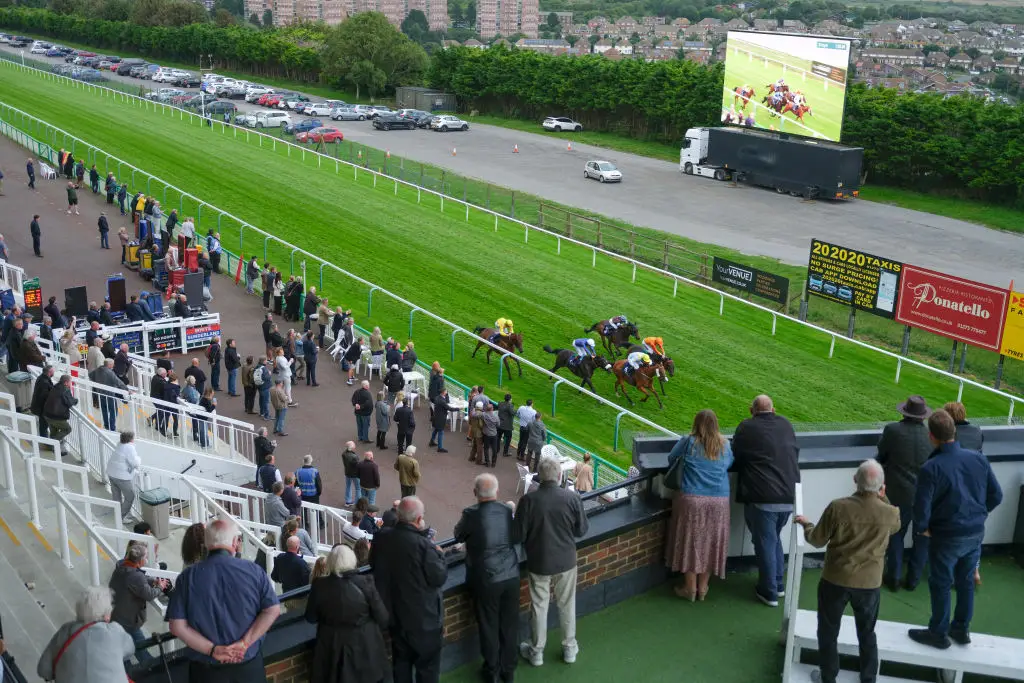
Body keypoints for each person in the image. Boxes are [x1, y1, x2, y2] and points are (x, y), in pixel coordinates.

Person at [793, 460, 900, 683]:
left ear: (855, 480)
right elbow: (895, 526)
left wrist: (807, 525)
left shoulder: (838, 507)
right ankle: (869, 677)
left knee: (828, 632)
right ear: (882, 487)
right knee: (867, 633)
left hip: (835, 579)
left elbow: (816, 540)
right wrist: (882, 496)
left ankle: (828, 676)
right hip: (869, 584)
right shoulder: (890, 513)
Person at [907, 409, 1003, 650]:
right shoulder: (978, 458)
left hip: (946, 537)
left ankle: (938, 633)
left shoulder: (931, 467)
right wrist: (977, 516)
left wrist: (923, 529)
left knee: (940, 583)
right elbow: (996, 496)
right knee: (966, 581)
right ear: (954, 431)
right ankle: (960, 629)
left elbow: (921, 507)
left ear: (932, 437)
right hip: (974, 534)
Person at [167, 519, 281, 680]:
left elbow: (177, 626)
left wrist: (213, 650)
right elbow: (272, 610)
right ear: (234, 542)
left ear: (206, 543)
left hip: (206, 671)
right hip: (248, 667)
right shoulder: (254, 571)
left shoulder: (187, 577)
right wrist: (244, 643)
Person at [515, 456, 589, 667]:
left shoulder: (528, 501)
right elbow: (582, 530)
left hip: (538, 561)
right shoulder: (572, 498)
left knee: (539, 606)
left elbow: (517, 535)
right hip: (566, 560)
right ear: (559, 475)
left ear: (540, 476)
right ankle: (569, 649)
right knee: (567, 604)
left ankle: (536, 652)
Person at [731, 394, 800, 608]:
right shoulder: (786, 425)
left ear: (751, 410)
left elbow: (736, 455)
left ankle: (769, 591)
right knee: (774, 539)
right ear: (774, 410)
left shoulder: (746, 427)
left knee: (766, 542)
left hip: (763, 497)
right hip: (789, 495)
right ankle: (777, 585)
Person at [371, 497, 448, 683]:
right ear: (418, 519)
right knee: (427, 672)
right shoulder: (424, 546)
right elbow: (439, 577)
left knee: (401, 667)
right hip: (424, 622)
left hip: (396, 618)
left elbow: (374, 563)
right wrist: (439, 555)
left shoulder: (382, 538)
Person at [455, 474, 519, 683]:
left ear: (475, 493)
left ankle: (492, 671)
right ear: (497, 492)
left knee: (488, 625)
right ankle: (508, 671)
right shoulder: (506, 511)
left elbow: (458, 534)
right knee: (508, 625)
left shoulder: (471, 514)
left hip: (486, 579)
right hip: (510, 575)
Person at [305, 544, 389, 683]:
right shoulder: (366, 583)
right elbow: (383, 618)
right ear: (352, 560)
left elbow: (311, 617)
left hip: (331, 649)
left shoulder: (319, 585)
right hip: (364, 647)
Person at [877, 395, 933, 593]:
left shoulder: (893, 430)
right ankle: (913, 580)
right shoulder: (930, 435)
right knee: (921, 537)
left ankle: (893, 578)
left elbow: (881, 455)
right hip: (925, 497)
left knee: (896, 535)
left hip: (899, 494)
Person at [37, 586, 135, 683]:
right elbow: (130, 650)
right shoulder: (114, 631)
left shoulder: (66, 631)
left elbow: (44, 670)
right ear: (106, 615)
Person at [109, 543, 170, 665]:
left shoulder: (121, 566)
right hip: (128, 620)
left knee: (128, 648)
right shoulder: (135, 576)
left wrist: (153, 581)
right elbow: (149, 594)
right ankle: (150, 669)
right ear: (141, 560)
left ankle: (130, 669)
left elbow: (139, 579)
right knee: (140, 647)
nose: (147, 559)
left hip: (117, 615)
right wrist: (160, 586)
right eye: (146, 556)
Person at [106, 431, 141, 523]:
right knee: (130, 496)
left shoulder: (120, 445)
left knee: (116, 495)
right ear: (131, 439)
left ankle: (118, 513)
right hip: (121, 476)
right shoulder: (129, 448)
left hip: (111, 473)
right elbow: (135, 463)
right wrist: (139, 460)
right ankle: (121, 517)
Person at [90, 358, 128, 432]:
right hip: (109, 395)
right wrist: (127, 389)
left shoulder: (98, 369)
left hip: (100, 393)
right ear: (109, 365)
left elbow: (91, 376)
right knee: (113, 411)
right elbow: (118, 382)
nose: (113, 365)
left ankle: (107, 426)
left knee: (104, 410)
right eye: (113, 364)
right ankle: (112, 428)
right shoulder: (109, 372)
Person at [272, 536, 312, 603]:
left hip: (286, 595)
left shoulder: (279, 557)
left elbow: (274, 577)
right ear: (297, 547)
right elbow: (306, 584)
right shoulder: (302, 563)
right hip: (299, 598)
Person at [31, 364, 56, 438]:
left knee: (43, 425)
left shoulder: (41, 378)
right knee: (43, 425)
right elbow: (45, 396)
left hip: (40, 407)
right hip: (42, 409)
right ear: (49, 372)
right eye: (53, 371)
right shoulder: (45, 382)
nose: (54, 373)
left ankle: (45, 439)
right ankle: (45, 441)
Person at [430, 389, 458, 453]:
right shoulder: (442, 401)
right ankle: (440, 448)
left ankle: (432, 441)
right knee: (440, 432)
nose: (447, 392)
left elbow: (446, 402)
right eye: (446, 392)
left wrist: (446, 396)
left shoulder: (437, 398)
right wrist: (458, 409)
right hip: (440, 419)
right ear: (443, 393)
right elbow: (449, 408)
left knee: (436, 430)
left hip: (436, 417)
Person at [342, 441, 361, 506]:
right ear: (352, 448)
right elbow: (358, 466)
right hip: (355, 475)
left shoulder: (344, 454)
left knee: (348, 486)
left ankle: (348, 501)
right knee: (358, 489)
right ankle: (357, 503)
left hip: (347, 473)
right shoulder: (354, 457)